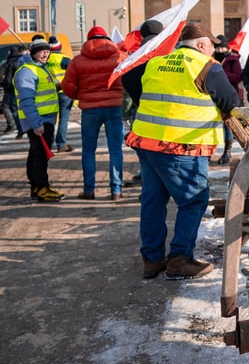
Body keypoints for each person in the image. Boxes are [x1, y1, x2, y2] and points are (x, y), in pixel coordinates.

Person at [122, 23, 239, 280]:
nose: (212, 52)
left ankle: (152, 260)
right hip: (181, 146)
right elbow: (231, 101)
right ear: (200, 45)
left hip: (147, 143)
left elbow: (132, 82)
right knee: (193, 201)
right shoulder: (207, 67)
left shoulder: (156, 63)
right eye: (210, 46)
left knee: (153, 202)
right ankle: (179, 260)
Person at [62, 26, 128, 201]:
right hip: (115, 106)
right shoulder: (120, 57)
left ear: (88, 40)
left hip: (90, 109)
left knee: (88, 150)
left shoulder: (78, 61)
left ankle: (89, 190)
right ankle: (116, 190)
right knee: (115, 150)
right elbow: (128, 79)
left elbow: (67, 85)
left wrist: (81, 96)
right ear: (106, 39)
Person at [13, 38, 66, 202]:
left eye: (47, 51)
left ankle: (36, 187)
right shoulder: (27, 71)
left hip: (46, 119)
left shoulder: (40, 68)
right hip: (38, 121)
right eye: (42, 51)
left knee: (36, 154)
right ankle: (42, 188)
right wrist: (36, 124)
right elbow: (27, 100)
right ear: (34, 53)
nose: (45, 54)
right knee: (41, 155)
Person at [123, 19, 163, 188]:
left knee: (145, 153)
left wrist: (138, 99)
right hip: (164, 111)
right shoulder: (165, 51)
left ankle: (148, 185)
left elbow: (127, 78)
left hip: (141, 112)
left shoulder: (137, 53)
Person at [213, 34, 243, 164]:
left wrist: (220, 73)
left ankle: (227, 152)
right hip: (214, 97)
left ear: (226, 47)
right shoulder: (213, 59)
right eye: (217, 48)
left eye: (221, 48)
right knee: (213, 126)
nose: (219, 51)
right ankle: (210, 151)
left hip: (228, 96)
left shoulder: (232, 60)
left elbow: (237, 77)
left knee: (228, 126)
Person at [46, 35, 73, 152]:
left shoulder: (45, 60)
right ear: (59, 47)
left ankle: (48, 144)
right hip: (64, 92)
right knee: (63, 118)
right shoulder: (65, 59)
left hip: (50, 93)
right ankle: (61, 144)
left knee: (51, 119)